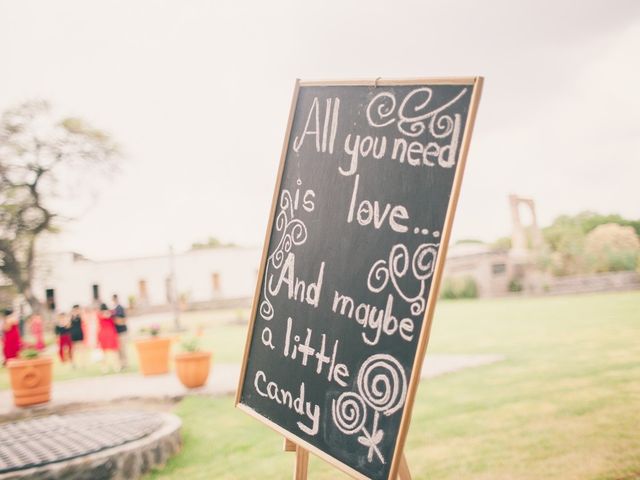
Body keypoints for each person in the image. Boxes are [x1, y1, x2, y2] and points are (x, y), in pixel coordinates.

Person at [97, 303, 119, 372]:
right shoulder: (109, 313)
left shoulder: (99, 314)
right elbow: (113, 313)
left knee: (104, 352)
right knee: (114, 352)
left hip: (103, 334)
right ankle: (116, 367)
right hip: (110, 333)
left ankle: (104, 368)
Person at [112, 294, 128, 370]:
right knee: (118, 349)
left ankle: (125, 363)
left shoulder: (120, 308)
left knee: (123, 349)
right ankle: (121, 364)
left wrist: (116, 321)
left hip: (122, 332)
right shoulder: (113, 309)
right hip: (116, 333)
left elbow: (124, 320)